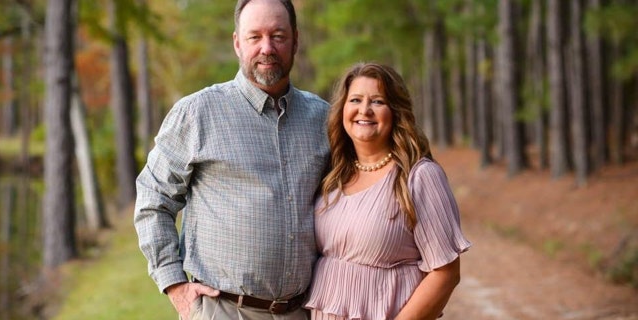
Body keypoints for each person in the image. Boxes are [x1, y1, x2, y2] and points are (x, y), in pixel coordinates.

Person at [133, 0, 330, 319]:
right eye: (255, 37)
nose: (267, 48)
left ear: (296, 40)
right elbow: (153, 200)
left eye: (278, 36)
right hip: (224, 310)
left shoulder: (322, 119)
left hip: (303, 311)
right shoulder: (197, 113)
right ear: (238, 43)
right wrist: (174, 285)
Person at [303, 62, 472, 320]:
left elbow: (446, 273)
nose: (364, 110)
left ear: (395, 111)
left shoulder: (419, 176)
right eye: (356, 100)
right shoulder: (333, 175)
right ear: (342, 110)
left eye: (378, 101)